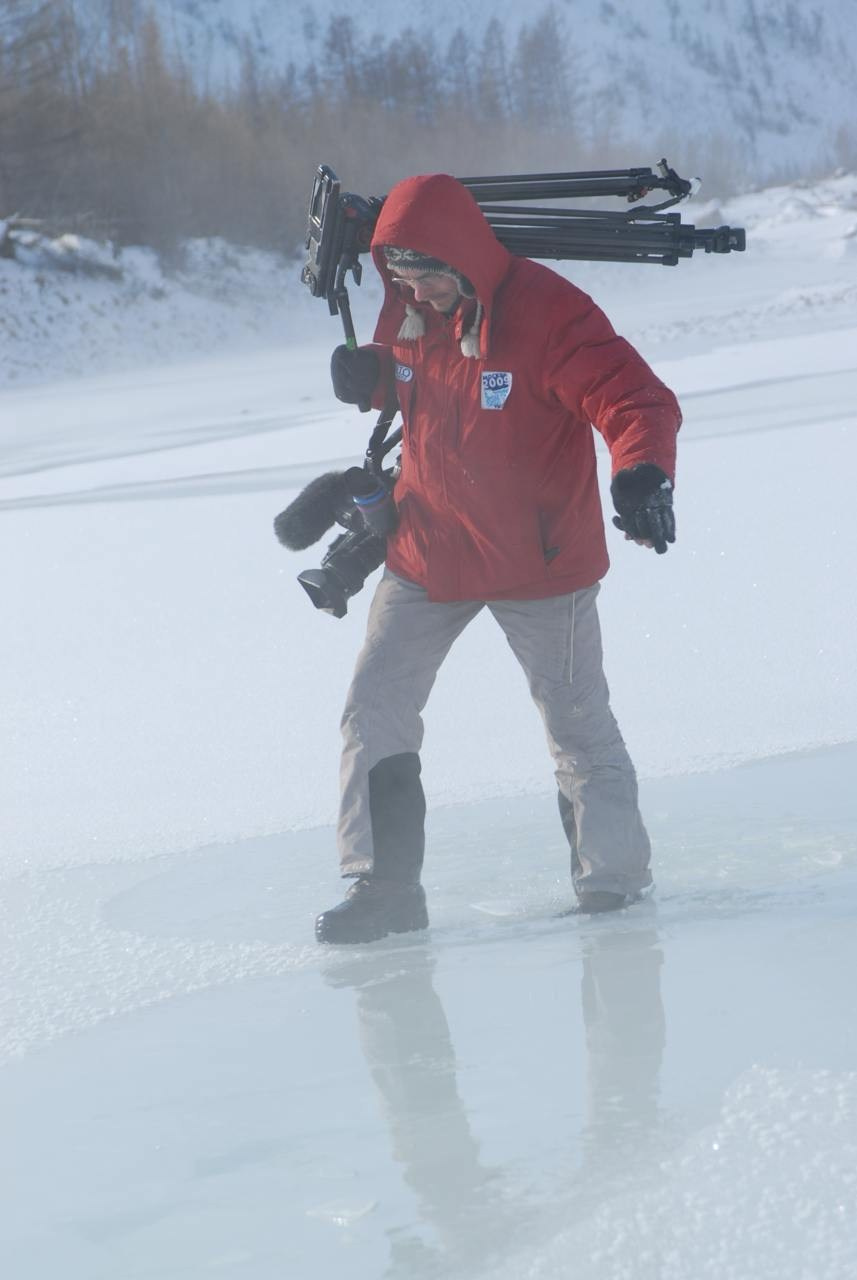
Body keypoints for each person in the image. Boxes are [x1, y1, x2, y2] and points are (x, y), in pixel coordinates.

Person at [315, 172, 681, 945]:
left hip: (540, 563)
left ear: (467, 260)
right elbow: (412, 380)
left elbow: (634, 400)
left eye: (430, 276)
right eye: (403, 278)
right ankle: (381, 888)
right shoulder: (410, 304)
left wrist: (641, 470)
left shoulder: (551, 312)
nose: (417, 292)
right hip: (428, 551)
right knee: (373, 707)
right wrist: (371, 377)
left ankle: (611, 887)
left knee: (577, 724)